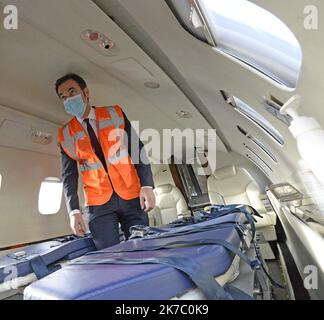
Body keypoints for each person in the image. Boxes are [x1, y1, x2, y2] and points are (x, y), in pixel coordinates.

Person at [55, 73, 156, 250]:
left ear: (86, 92)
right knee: (107, 255)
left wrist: (147, 185)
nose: (68, 99)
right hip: (98, 201)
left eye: (72, 93)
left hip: (131, 193)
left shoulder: (114, 113)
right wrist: (74, 211)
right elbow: (69, 176)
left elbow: (137, 149)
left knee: (144, 248)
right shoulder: (65, 134)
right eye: (63, 97)